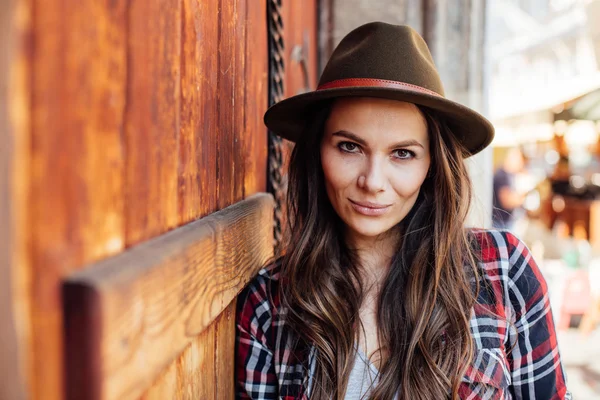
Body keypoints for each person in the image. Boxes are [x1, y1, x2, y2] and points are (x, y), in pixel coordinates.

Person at [236, 22, 570, 399]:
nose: (373, 180)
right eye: (349, 147)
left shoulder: (504, 273)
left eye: (402, 153)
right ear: (317, 151)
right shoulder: (270, 302)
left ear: (432, 166)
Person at [492, 147, 527, 230]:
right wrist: (523, 199)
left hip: (504, 222)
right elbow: (507, 201)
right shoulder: (502, 175)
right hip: (499, 223)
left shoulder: (510, 175)